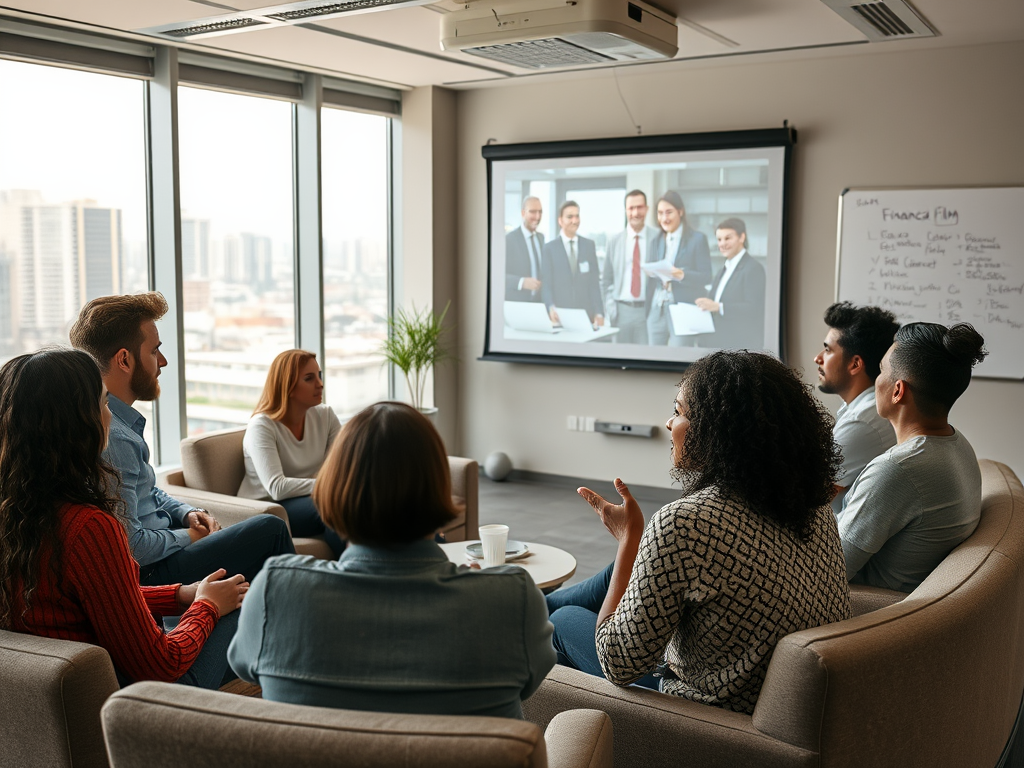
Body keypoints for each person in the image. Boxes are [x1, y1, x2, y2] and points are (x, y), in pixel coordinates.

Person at [545, 351, 851, 714]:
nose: (669, 422)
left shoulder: (685, 523)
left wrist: (630, 541)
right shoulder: (812, 504)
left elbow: (620, 663)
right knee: (598, 583)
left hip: (703, 713)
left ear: (716, 429)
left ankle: (532, 619)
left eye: (678, 412)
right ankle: (535, 604)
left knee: (560, 623)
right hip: (768, 694)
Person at [229, 402, 556, 719]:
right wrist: (479, 591)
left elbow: (244, 665)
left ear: (333, 488)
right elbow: (530, 680)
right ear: (439, 487)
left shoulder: (274, 591)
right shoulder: (511, 598)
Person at [0, 349, 248, 690]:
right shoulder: (88, 527)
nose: (109, 417)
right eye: (103, 404)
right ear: (78, 423)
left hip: (61, 707)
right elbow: (162, 665)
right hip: (135, 704)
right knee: (237, 605)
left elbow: (102, 603)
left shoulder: (17, 511)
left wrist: (181, 596)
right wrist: (206, 606)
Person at [69, 292, 294, 587]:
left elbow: (145, 491)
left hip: (162, 551)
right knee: (271, 529)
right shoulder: (116, 439)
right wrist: (190, 535)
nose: (162, 361)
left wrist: (186, 512)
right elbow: (132, 548)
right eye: (154, 351)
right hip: (152, 571)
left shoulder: (120, 424)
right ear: (124, 359)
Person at [838, 322, 988, 592]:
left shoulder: (898, 470)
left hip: (866, 603)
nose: (876, 381)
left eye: (881, 370)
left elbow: (834, 565)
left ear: (898, 390)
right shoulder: (958, 444)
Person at [237, 349, 345, 557]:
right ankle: (358, 575)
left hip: (312, 497)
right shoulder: (262, 426)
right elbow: (277, 487)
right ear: (288, 386)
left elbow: (342, 468)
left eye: (319, 376)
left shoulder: (326, 416)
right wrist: (330, 485)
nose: (320, 384)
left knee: (358, 502)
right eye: (309, 378)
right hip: (267, 507)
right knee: (336, 505)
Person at [815, 301, 900, 515]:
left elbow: (809, 500)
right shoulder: (864, 408)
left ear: (855, 364)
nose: (818, 358)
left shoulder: (863, 421)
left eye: (827, 350)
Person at [645, 191, 712, 347]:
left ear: (680, 211)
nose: (664, 218)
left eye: (669, 212)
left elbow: (706, 276)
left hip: (682, 308)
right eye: (660, 213)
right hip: (657, 308)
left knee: (679, 356)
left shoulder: (697, 239)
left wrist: (682, 275)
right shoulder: (655, 241)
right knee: (654, 358)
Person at [695, 218, 766, 350]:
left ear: (741, 237)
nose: (722, 244)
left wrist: (718, 307)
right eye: (719, 239)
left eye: (728, 238)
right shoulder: (724, 268)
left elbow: (753, 308)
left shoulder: (753, 268)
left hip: (740, 345)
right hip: (720, 343)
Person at [600, 190, 660, 344]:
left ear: (646, 209)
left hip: (648, 311)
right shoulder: (614, 241)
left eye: (639, 207)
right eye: (631, 208)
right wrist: (610, 308)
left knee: (647, 361)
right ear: (625, 210)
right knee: (620, 360)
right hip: (621, 311)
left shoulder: (658, 238)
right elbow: (606, 280)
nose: (635, 212)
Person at [541, 201, 604, 327]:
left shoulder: (588, 246)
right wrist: (550, 307)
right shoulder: (549, 249)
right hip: (560, 316)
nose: (575, 221)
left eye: (577, 216)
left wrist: (599, 312)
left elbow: (594, 283)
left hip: (586, 316)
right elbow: (546, 284)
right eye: (570, 217)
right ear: (560, 221)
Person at [505, 196, 545, 302]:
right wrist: (522, 282)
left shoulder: (541, 238)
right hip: (518, 303)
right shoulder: (509, 240)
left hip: (539, 303)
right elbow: (497, 275)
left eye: (540, 212)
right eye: (532, 212)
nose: (537, 217)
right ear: (523, 213)